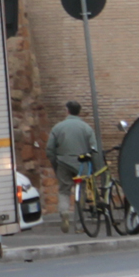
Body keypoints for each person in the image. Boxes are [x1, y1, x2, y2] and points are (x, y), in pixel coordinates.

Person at [46, 100, 98, 234]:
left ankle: (64, 212)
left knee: (64, 190)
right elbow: (94, 148)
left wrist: (55, 164)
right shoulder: (86, 127)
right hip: (82, 164)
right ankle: (79, 225)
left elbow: (49, 149)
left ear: (67, 110)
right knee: (81, 193)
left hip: (63, 162)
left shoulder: (58, 127)